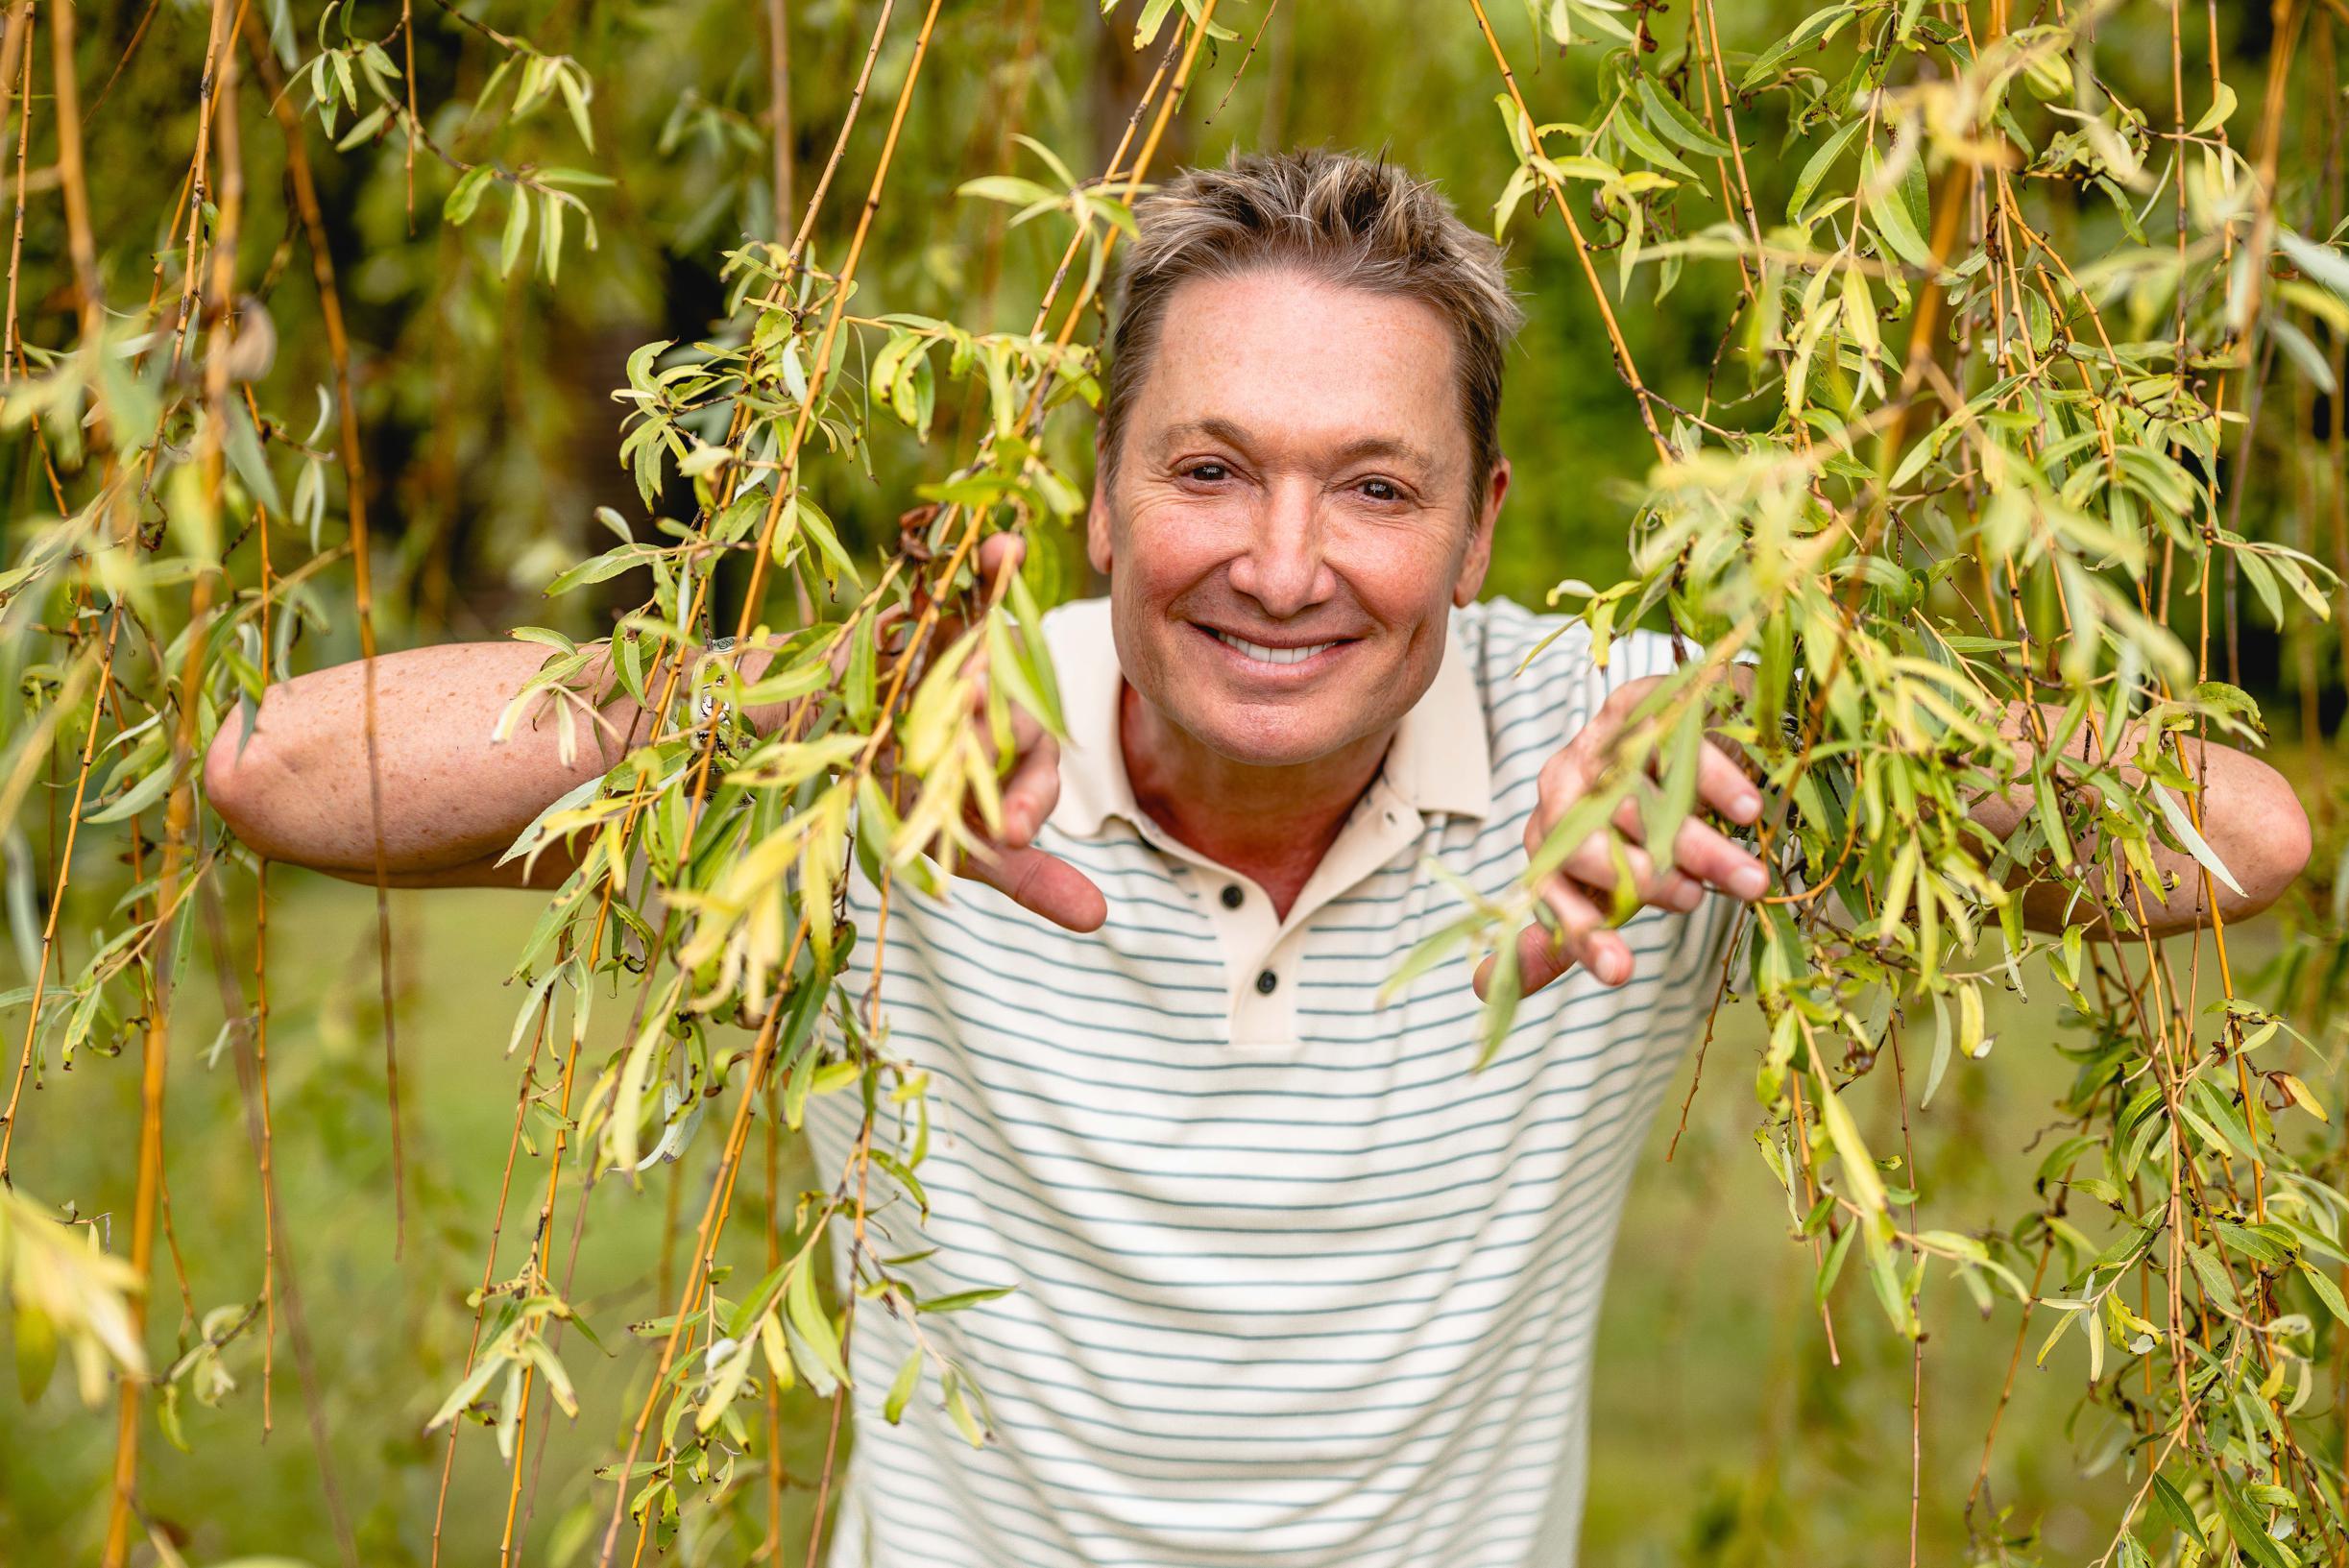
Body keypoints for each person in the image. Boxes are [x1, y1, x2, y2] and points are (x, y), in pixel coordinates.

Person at [205, 150, 2313, 1567]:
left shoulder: (1626, 755)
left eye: (1372, 487)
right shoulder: (921, 738)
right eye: (1208, 468)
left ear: (1479, 527)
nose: (1282, 568)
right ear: (1100, 500)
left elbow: (2237, 832)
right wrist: (770, 713)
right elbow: (281, 767)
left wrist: (1801, 746)